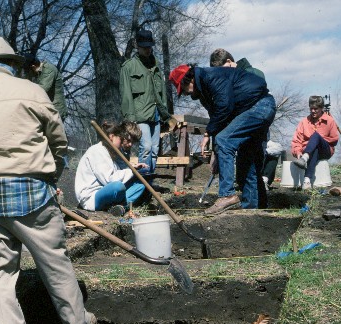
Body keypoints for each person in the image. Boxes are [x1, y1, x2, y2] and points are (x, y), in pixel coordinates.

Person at [0, 37, 96, 324]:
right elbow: (59, 141)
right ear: (13, 64)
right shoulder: (32, 92)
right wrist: (51, 176)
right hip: (32, 192)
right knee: (54, 260)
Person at [169, 64, 276, 214]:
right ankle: (252, 210)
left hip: (259, 107)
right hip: (257, 108)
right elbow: (219, 120)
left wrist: (208, 134)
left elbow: (225, 108)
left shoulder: (211, 77)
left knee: (224, 140)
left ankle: (227, 195)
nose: (186, 94)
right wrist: (216, 152)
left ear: (189, 80)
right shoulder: (204, 90)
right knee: (246, 161)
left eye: (183, 88)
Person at [210, 48, 268, 207]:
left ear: (229, 62)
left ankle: (251, 210)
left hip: (254, 131)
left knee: (249, 171)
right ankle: (261, 209)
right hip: (243, 130)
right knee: (248, 172)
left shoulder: (253, 73)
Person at [120, 29, 177, 174]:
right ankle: (142, 184)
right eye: (144, 46)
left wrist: (166, 115)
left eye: (149, 46)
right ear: (137, 46)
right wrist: (130, 120)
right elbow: (126, 95)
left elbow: (161, 93)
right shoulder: (128, 66)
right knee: (145, 147)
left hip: (156, 114)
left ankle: (149, 183)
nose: (147, 49)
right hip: (139, 115)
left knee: (154, 149)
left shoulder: (155, 65)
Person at [75, 121, 149, 215]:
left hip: (105, 191)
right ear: (111, 137)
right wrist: (131, 171)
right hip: (92, 196)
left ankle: (118, 207)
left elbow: (117, 172)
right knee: (117, 187)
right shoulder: (98, 151)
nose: (122, 142)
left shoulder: (110, 152)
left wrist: (133, 170)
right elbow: (110, 180)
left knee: (140, 186)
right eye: (120, 139)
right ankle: (121, 206)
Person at [23, 53, 70, 167]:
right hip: (47, 109)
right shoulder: (39, 72)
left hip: (56, 109)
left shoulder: (49, 70)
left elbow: (41, 90)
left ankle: (63, 163)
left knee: (57, 137)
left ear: (33, 66)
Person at [291, 95, 339, 190]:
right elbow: (296, 141)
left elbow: (334, 139)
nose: (313, 111)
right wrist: (298, 152)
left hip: (325, 150)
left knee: (316, 136)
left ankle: (305, 158)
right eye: (311, 108)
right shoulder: (304, 122)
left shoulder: (330, 121)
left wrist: (320, 140)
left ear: (321, 108)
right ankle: (307, 181)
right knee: (314, 149)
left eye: (316, 109)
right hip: (310, 152)